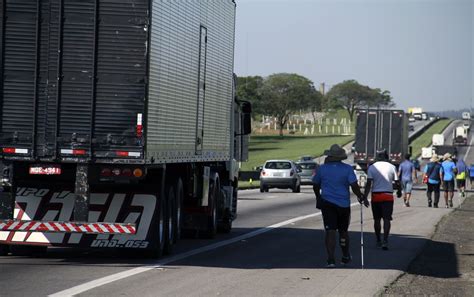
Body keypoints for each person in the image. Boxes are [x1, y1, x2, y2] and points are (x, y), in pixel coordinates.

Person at [313, 144, 368, 268]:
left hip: (327, 203)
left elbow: (315, 185)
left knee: (330, 231)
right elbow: (354, 185)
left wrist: (318, 197)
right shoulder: (347, 169)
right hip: (343, 204)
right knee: (343, 231)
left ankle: (331, 259)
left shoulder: (322, 169)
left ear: (330, 156)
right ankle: (345, 255)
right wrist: (361, 196)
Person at [364, 149, 402, 250]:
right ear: (386, 156)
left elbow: (368, 184)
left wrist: (365, 197)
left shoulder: (372, 167)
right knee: (387, 219)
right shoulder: (392, 167)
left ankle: (378, 240)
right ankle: (385, 240)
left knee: (377, 220)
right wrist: (399, 191)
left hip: (376, 196)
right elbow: (397, 182)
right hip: (388, 196)